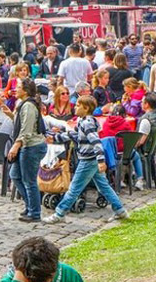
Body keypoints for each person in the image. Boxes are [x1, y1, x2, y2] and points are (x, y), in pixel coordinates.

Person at [43, 96, 128, 224]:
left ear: (86, 108)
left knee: (74, 188)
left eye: (78, 105)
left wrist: (101, 161)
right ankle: (120, 210)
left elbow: (96, 142)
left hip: (88, 160)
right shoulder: (83, 121)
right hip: (91, 160)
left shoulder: (87, 123)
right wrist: (55, 138)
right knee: (104, 187)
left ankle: (60, 213)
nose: (75, 107)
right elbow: (74, 135)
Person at [8, 79, 48, 222]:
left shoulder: (29, 106)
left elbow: (27, 128)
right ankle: (30, 205)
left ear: (25, 90)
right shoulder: (22, 105)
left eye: (18, 87)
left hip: (32, 146)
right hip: (26, 145)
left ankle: (35, 212)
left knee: (29, 180)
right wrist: (10, 114)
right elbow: (22, 123)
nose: (15, 89)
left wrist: (16, 145)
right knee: (15, 175)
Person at [99, 104, 145, 191]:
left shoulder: (105, 123)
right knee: (137, 157)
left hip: (110, 154)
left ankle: (118, 179)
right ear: (124, 114)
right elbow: (132, 138)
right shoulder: (125, 123)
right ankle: (139, 179)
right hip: (124, 153)